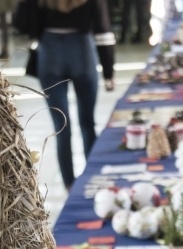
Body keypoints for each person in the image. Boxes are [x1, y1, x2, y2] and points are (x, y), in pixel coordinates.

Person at [14, 0, 115, 190]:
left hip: (50, 52)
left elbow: (20, 21)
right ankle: (92, 178)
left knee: (61, 126)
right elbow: (103, 30)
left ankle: (69, 184)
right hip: (82, 50)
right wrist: (108, 71)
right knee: (87, 123)